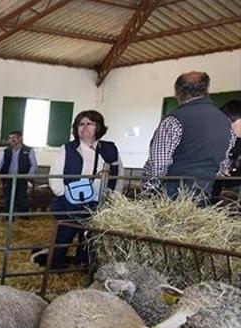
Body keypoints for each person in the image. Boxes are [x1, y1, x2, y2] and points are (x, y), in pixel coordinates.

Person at [48, 110, 123, 270]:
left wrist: (113, 197)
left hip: (97, 202)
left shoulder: (110, 150)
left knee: (90, 236)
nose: (85, 127)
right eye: (81, 124)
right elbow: (55, 176)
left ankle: (82, 265)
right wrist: (63, 197)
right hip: (69, 201)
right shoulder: (67, 149)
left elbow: (119, 175)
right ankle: (56, 266)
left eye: (90, 123)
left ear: (99, 127)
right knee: (65, 233)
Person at [142, 71, 234, 199]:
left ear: (179, 92)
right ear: (206, 90)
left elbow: (158, 164)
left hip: (173, 195)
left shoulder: (173, 120)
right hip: (206, 194)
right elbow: (224, 164)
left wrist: (148, 193)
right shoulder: (225, 122)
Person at [0, 130, 38, 216]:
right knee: (8, 198)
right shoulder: (7, 151)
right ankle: (8, 217)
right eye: (10, 138)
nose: (12, 140)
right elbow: (2, 162)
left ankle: (23, 219)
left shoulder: (28, 150)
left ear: (20, 138)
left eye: (14, 138)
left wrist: (29, 175)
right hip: (9, 178)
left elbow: (33, 164)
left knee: (22, 198)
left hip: (21, 178)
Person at [212, 100, 241, 202]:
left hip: (232, 186)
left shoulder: (237, 137)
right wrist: (219, 169)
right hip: (212, 188)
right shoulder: (211, 137)